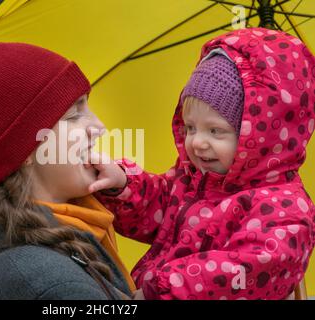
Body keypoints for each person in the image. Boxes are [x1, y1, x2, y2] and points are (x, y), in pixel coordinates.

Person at [88, 27, 315, 300]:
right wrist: (123, 184)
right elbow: (159, 206)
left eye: (215, 131)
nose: (197, 142)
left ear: (260, 136)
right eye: (191, 127)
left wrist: (163, 290)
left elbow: (247, 268)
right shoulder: (193, 178)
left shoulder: (284, 209)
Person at [0, 42, 137, 299]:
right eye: (74, 115)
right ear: (26, 150)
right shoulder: (56, 286)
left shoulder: (4, 227)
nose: (99, 126)